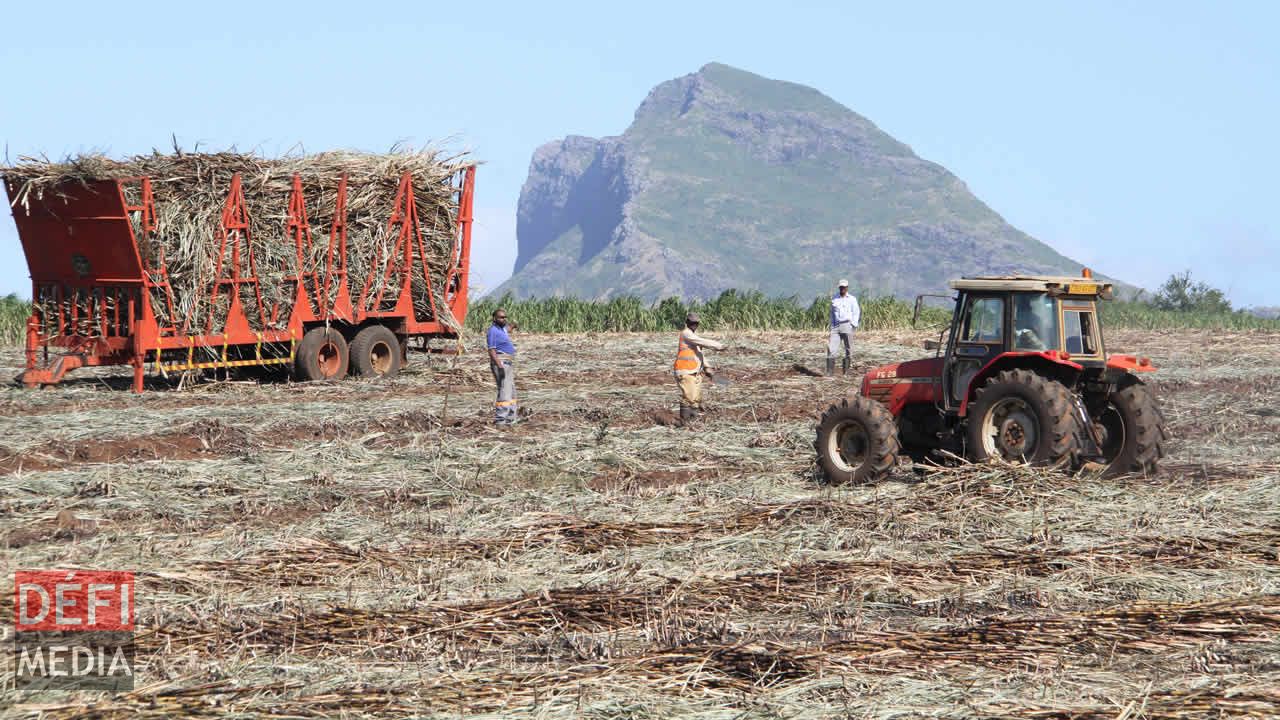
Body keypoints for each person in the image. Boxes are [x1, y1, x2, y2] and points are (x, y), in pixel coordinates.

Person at [673, 312, 725, 422]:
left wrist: (707, 367)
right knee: (689, 398)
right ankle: (685, 423)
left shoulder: (693, 337)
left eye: (695, 323)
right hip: (685, 371)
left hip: (694, 371)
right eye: (692, 322)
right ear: (687, 323)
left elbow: (699, 353)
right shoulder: (686, 334)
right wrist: (719, 346)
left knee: (696, 399)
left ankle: (694, 422)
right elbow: (703, 342)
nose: (694, 325)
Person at [486, 308, 519, 425]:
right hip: (501, 363)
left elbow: (508, 329)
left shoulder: (502, 329)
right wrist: (499, 365)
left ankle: (511, 418)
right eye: (501, 317)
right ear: (494, 318)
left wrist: (514, 325)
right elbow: (491, 350)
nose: (504, 319)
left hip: (508, 363)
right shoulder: (492, 331)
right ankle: (501, 420)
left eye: (505, 317)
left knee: (512, 391)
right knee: (504, 391)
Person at [827, 279, 861, 375]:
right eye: (841, 287)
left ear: (847, 288)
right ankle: (829, 373)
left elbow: (856, 312)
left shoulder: (852, 299)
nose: (842, 288)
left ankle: (846, 372)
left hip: (847, 325)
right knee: (831, 348)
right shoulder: (834, 299)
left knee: (848, 349)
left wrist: (853, 325)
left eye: (844, 287)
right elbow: (832, 314)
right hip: (836, 326)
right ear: (839, 287)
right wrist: (832, 325)